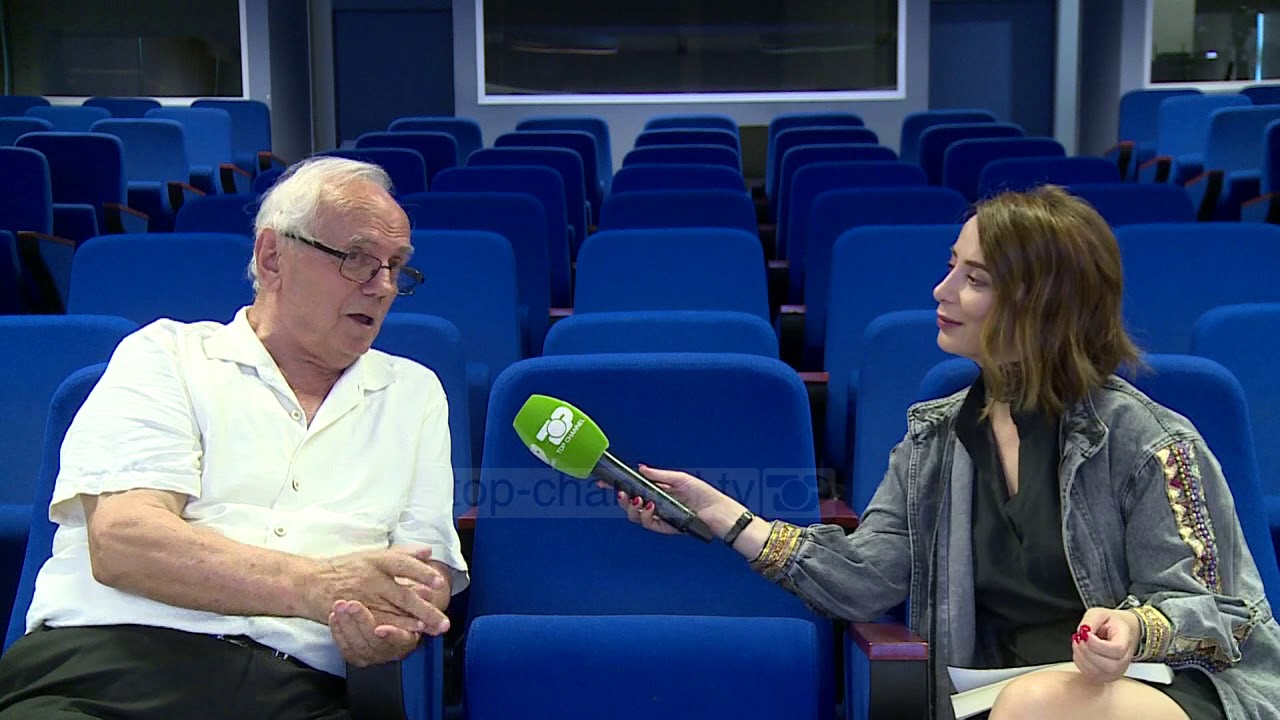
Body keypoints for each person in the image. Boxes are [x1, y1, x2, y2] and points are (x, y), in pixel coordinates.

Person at [614, 186, 1280, 720]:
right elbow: (865, 577)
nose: (942, 290)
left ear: (1042, 305)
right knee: (1028, 703)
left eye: (974, 278)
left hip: (1166, 691)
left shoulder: (1147, 440)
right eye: (951, 267)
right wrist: (724, 516)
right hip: (1006, 698)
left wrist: (1136, 629)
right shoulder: (933, 439)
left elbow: (1223, 615)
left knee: (1036, 704)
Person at [0, 156, 468, 719]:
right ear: (273, 257)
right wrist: (318, 586)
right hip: (107, 667)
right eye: (358, 259)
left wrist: (399, 618)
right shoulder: (166, 356)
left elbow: (428, 573)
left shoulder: (414, 393)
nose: (383, 286)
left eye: (395, 266)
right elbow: (125, 542)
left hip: (298, 688)